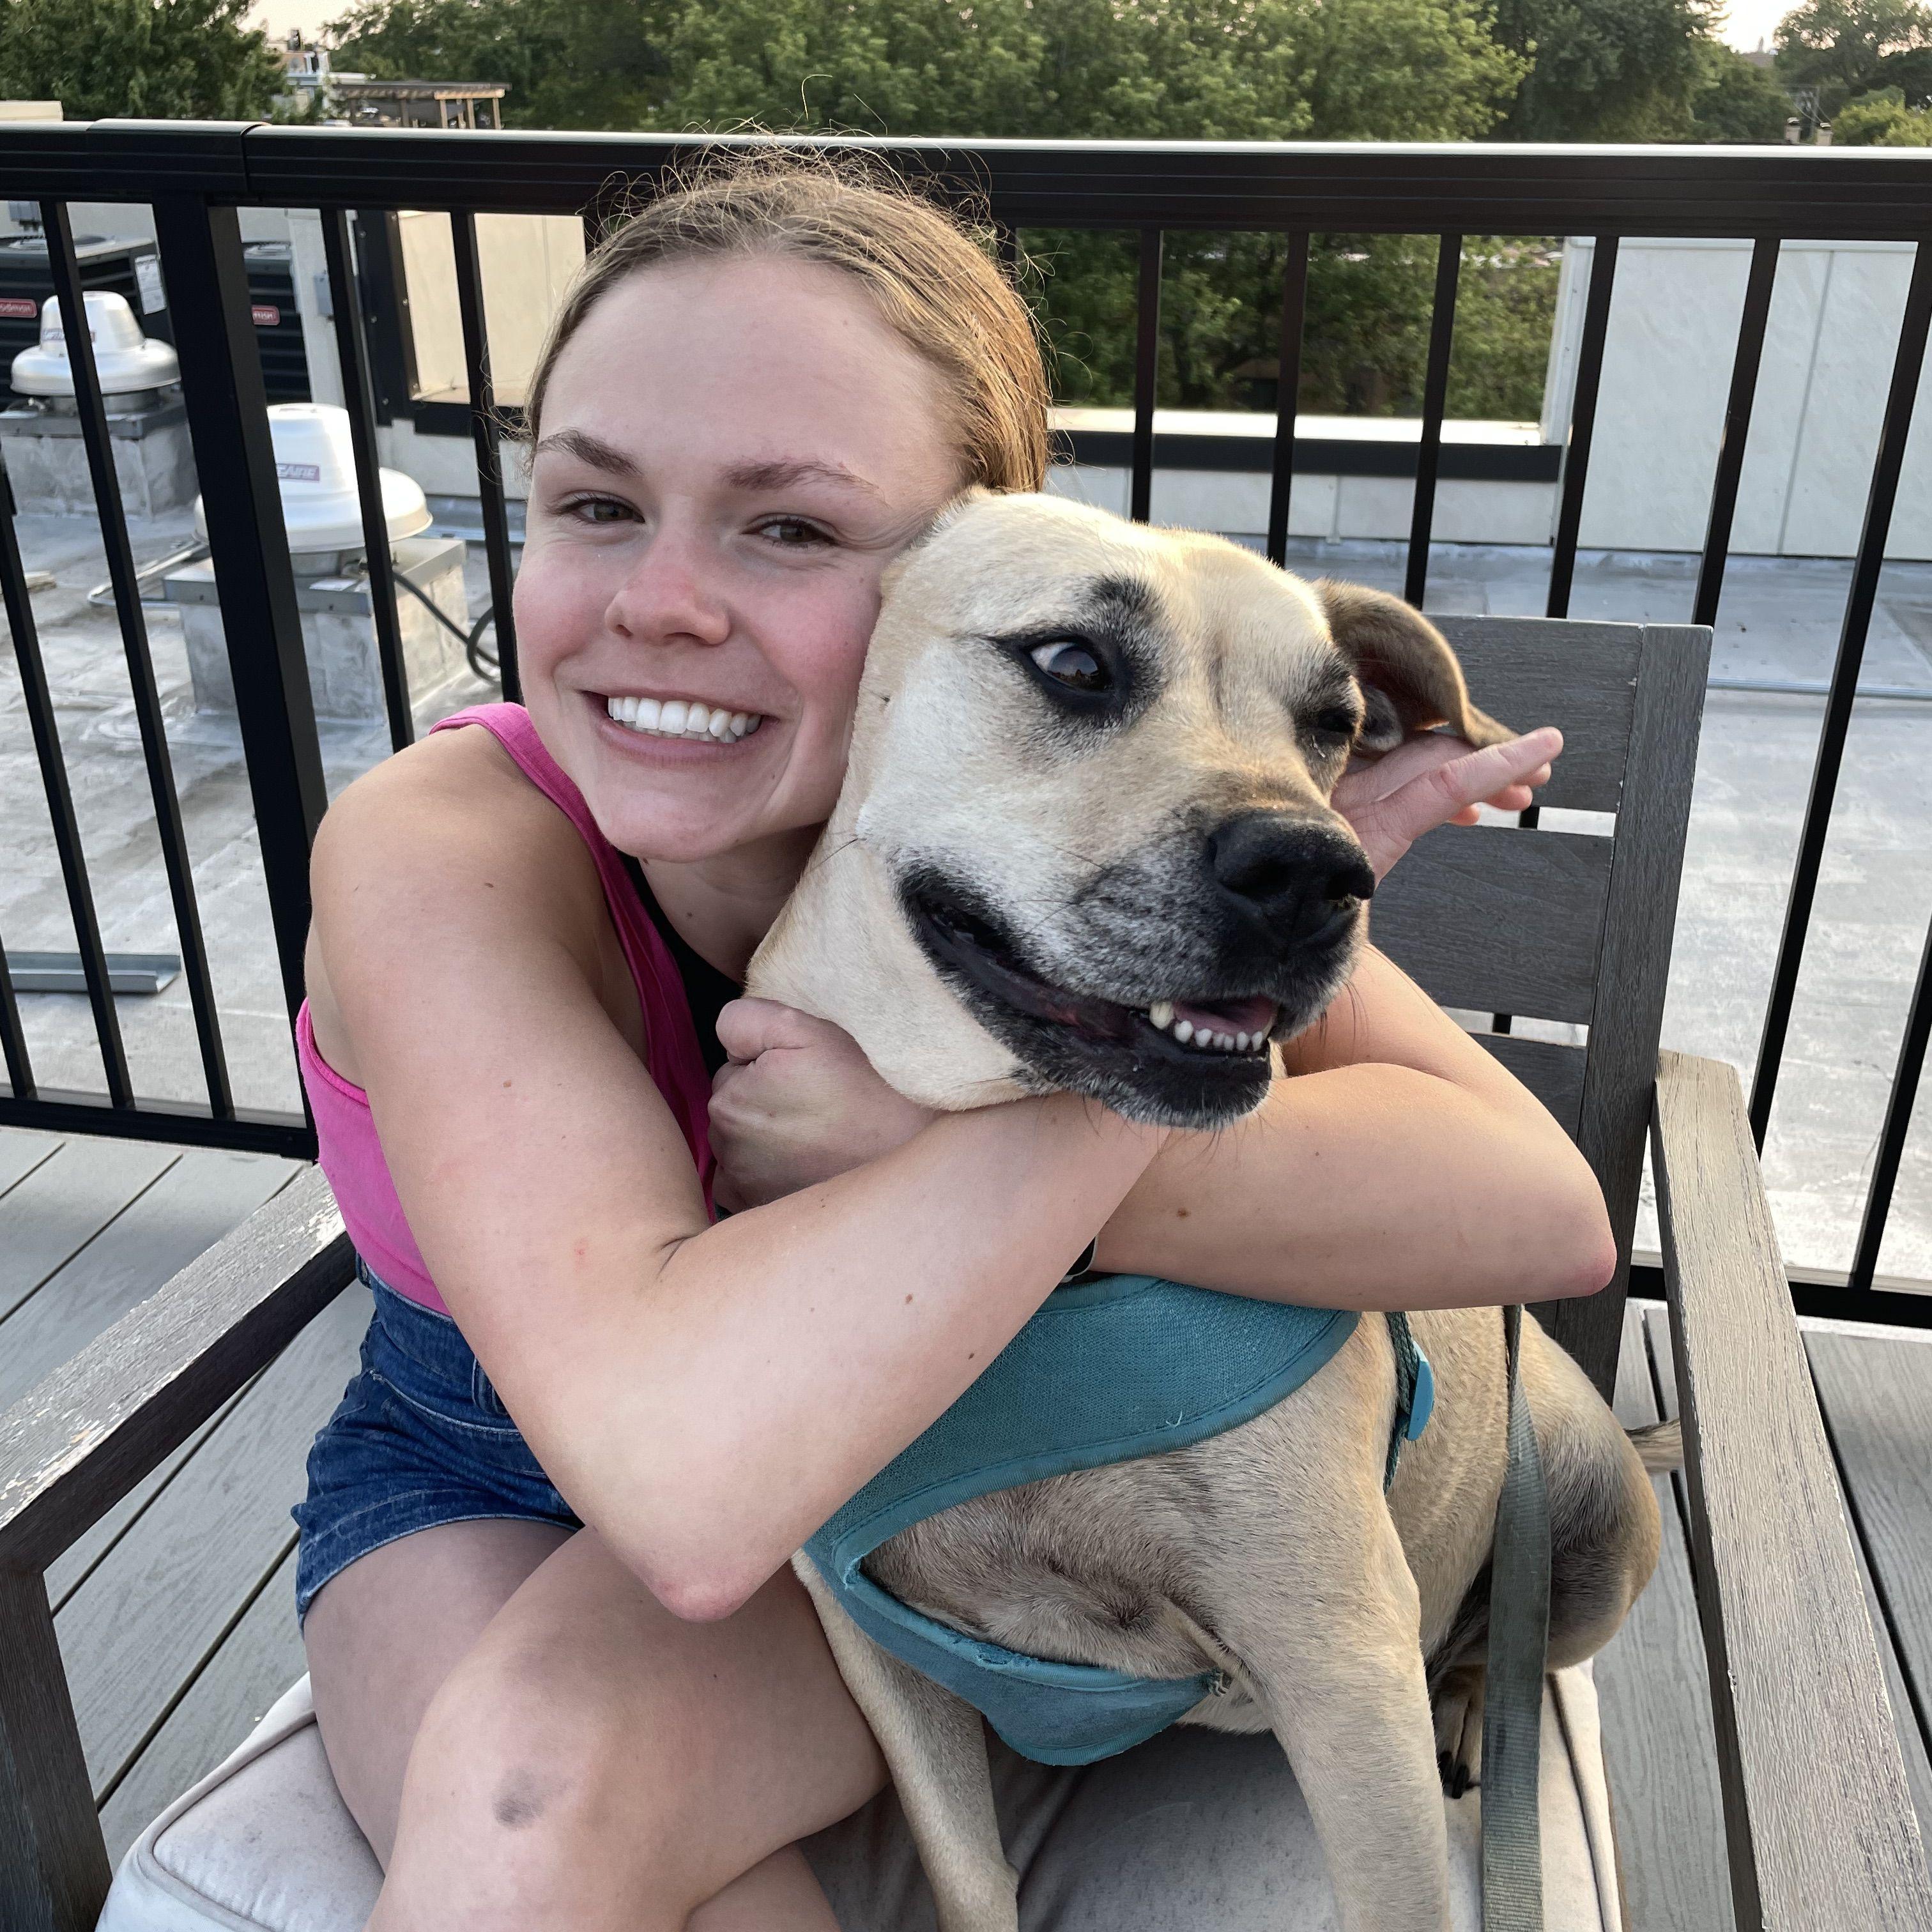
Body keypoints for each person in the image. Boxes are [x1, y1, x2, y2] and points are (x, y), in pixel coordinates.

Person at [293, 156, 1611, 1932]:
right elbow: (684, 1484)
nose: (661, 601)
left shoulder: (1084, 841)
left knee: (541, 1806)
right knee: (536, 1819)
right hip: (516, 1475)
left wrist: (1089, 1057)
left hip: (875, 1485)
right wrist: (1111, 1076)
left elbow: (1546, 1212)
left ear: (980, 561)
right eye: (595, 503)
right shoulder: (445, 844)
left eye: (791, 527)